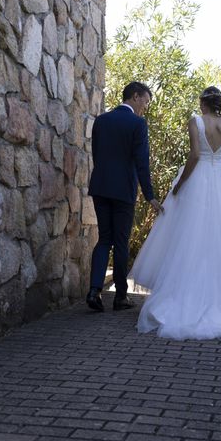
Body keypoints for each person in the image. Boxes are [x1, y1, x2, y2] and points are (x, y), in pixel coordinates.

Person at [130, 86, 221, 339]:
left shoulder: (196, 121)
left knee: (189, 238)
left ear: (203, 104)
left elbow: (195, 155)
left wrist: (179, 185)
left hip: (197, 181)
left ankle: (185, 296)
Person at [86, 82, 163, 312]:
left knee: (104, 239)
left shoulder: (101, 120)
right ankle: (120, 297)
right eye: (146, 101)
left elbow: (97, 155)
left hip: (100, 187)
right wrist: (150, 196)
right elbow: (142, 162)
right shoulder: (137, 124)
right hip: (123, 192)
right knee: (120, 242)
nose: (146, 107)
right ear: (135, 96)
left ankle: (94, 291)